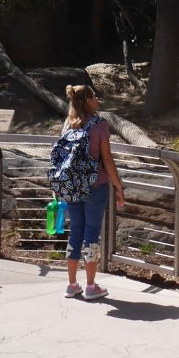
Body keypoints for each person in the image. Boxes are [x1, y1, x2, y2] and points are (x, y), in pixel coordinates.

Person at [61, 84, 126, 299]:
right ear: (88, 100)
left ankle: (72, 284)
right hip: (95, 185)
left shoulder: (68, 124)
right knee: (91, 233)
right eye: (95, 96)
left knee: (75, 231)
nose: (98, 99)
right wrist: (117, 185)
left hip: (72, 185)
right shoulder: (100, 125)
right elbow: (106, 158)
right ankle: (90, 286)